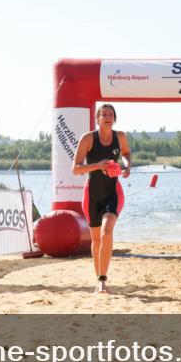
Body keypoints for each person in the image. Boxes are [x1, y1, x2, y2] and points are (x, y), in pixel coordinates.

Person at [72, 103, 131, 294]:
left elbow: (127, 154)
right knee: (96, 239)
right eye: (103, 114)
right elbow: (76, 169)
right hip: (92, 194)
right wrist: (98, 165)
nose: (107, 117)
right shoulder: (88, 139)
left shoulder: (120, 136)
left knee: (107, 230)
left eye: (110, 114)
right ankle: (99, 279)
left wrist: (126, 166)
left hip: (113, 192)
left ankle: (103, 280)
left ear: (115, 118)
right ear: (97, 118)